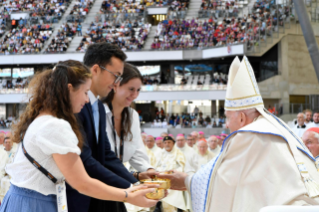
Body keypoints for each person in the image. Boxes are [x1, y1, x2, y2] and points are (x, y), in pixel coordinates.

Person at [159, 56, 319, 212]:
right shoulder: (276, 126)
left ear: (242, 117)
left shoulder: (249, 135)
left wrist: (187, 181)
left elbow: (223, 180)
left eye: (228, 118)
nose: (226, 124)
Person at [0, 60, 158, 212]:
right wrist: (128, 195)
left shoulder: (44, 118)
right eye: (84, 92)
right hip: (34, 204)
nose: (86, 99)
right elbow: (82, 183)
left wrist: (133, 183)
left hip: (28, 199)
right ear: (69, 89)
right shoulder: (54, 125)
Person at [67, 44, 157, 212]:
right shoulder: (76, 106)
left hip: (98, 194)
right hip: (77, 196)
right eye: (115, 76)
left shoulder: (98, 107)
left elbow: (107, 156)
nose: (116, 83)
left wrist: (135, 184)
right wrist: (131, 188)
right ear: (96, 70)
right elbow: (86, 159)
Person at [155, 136, 186, 212]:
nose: (167, 144)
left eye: (169, 142)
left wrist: (172, 173)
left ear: (173, 143)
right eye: (165, 143)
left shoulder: (178, 153)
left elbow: (182, 166)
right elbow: (155, 166)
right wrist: (162, 172)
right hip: (162, 178)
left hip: (174, 178)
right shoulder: (160, 153)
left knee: (175, 193)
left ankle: (177, 209)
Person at [0, 137, 15, 202]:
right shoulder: (2, 152)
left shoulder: (15, 152)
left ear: (12, 144)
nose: (8, 144)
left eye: (9, 142)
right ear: (3, 144)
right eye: (6, 142)